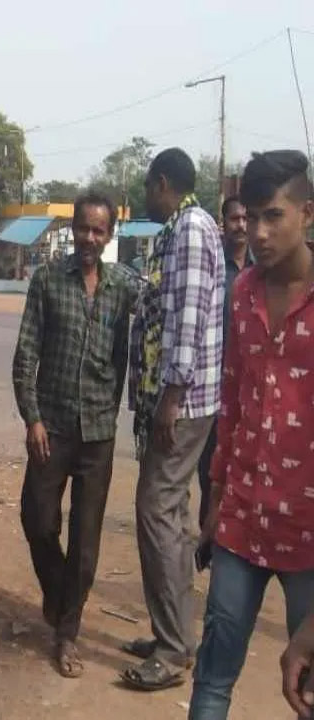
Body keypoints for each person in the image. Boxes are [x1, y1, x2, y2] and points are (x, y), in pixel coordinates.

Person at [188, 150, 314, 719]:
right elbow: (232, 404)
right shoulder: (241, 292)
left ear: (306, 213)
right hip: (241, 522)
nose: (258, 233)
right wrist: (214, 505)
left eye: (273, 216)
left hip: (310, 538)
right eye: (249, 218)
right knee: (212, 680)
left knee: (306, 690)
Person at [12, 192, 138, 679]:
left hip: (99, 433)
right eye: (83, 228)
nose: (89, 239)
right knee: (37, 519)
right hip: (53, 426)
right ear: (73, 230)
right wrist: (33, 418)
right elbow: (26, 352)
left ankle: (67, 633)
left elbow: (131, 349)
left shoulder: (122, 288)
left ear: (108, 237)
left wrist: (117, 404)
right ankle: (59, 591)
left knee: (86, 542)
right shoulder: (47, 280)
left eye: (99, 231)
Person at [122, 147, 226, 691]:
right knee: (175, 514)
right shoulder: (188, 228)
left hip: (181, 402)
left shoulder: (188, 228)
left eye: (146, 187)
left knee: (155, 511)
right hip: (183, 398)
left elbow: (186, 318)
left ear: (163, 183)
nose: (145, 197)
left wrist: (170, 398)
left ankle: (171, 649)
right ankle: (178, 635)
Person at [195, 196, 251, 540]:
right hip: (216, 390)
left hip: (253, 390)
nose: (242, 225)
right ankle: (209, 541)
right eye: (235, 219)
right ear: (223, 223)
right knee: (211, 471)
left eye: (247, 218)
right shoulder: (213, 266)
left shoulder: (263, 269)